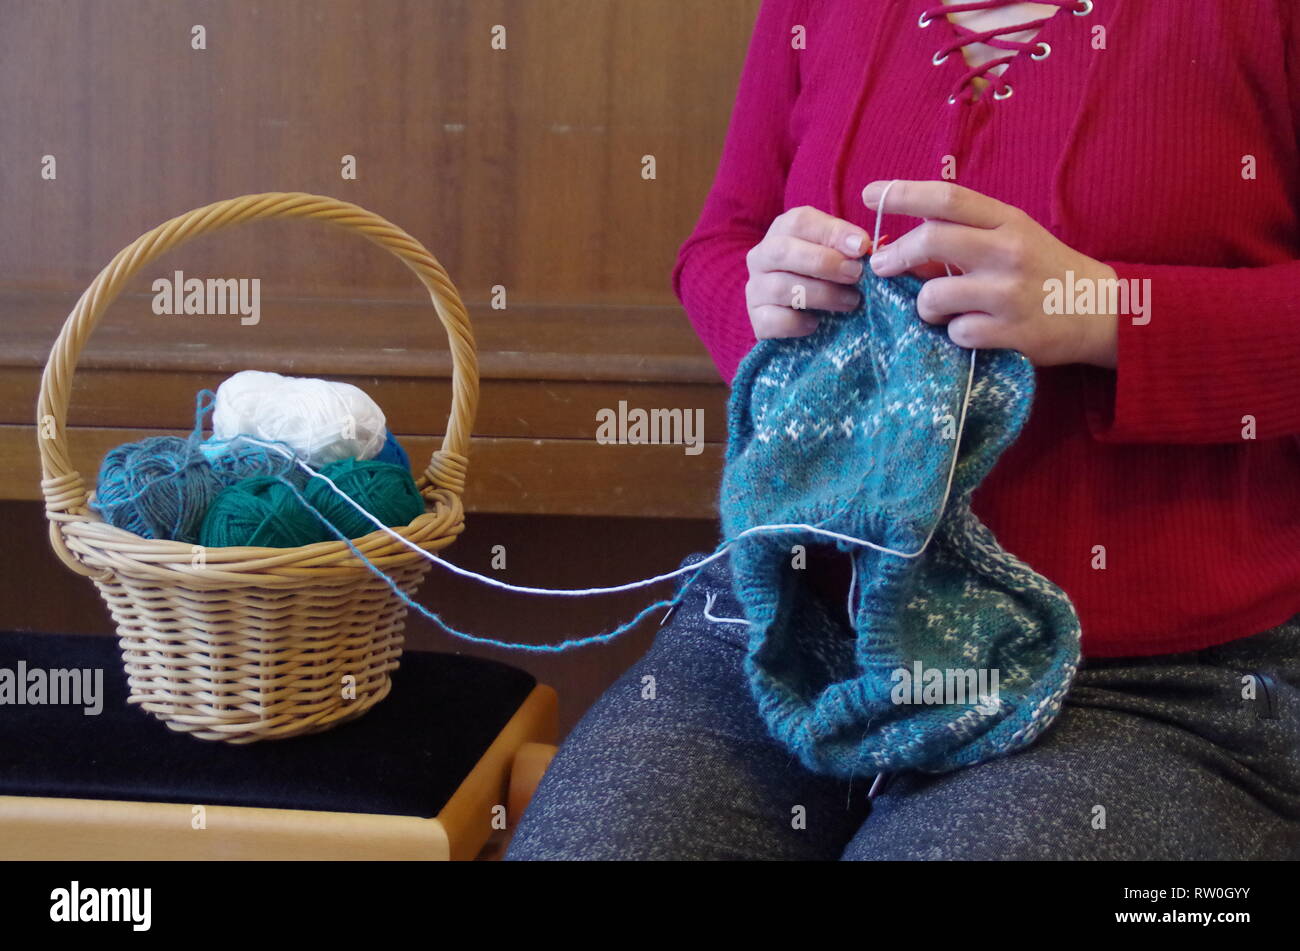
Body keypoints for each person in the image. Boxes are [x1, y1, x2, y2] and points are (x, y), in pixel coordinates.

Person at [506, 0, 1300, 860]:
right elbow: (720, 245)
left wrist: (1106, 311)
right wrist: (769, 306)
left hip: (1144, 682)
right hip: (792, 625)